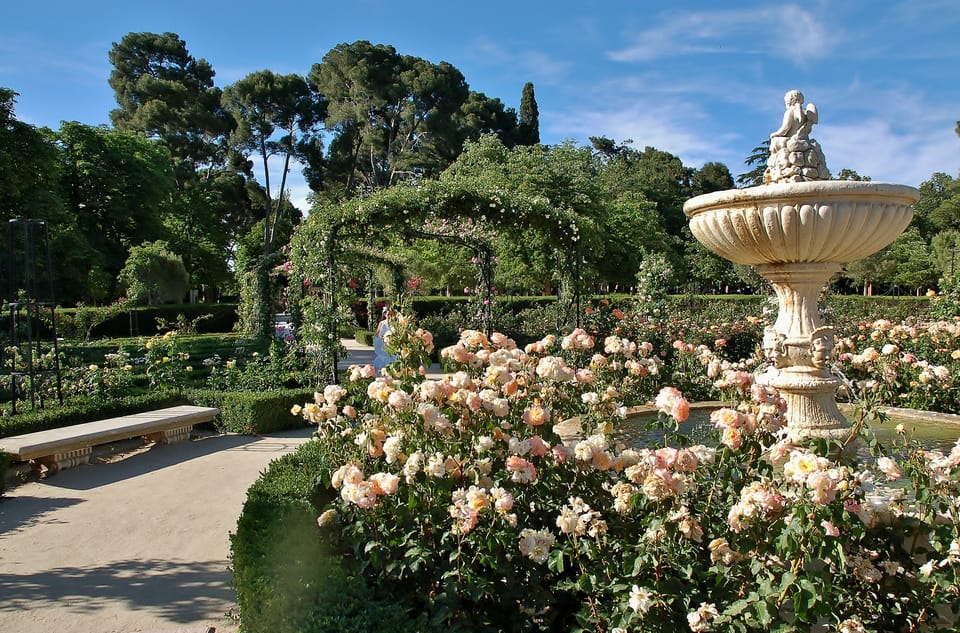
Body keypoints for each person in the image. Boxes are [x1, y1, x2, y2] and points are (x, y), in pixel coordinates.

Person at [373, 306, 397, 373]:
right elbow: (377, 334)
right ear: (385, 314)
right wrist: (381, 338)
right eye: (388, 314)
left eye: (391, 314)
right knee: (383, 358)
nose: (389, 316)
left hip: (392, 344)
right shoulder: (382, 323)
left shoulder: (395, 323)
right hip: (383, 344)